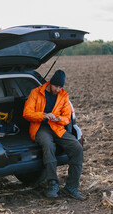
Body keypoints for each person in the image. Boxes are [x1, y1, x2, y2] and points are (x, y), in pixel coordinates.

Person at [23, 69, 84, 200]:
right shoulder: (36, 93)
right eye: (56, 86)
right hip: (41, 127)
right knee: (48, 146)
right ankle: (52, 184)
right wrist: (44, 115)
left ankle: (71, 187)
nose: (58, 89)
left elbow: (67, 117)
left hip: (57, 127)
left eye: (61, 86)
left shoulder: (63, 95)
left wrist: (59, 119)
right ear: (50, 83)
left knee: (77, 148)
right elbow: (27, 113)